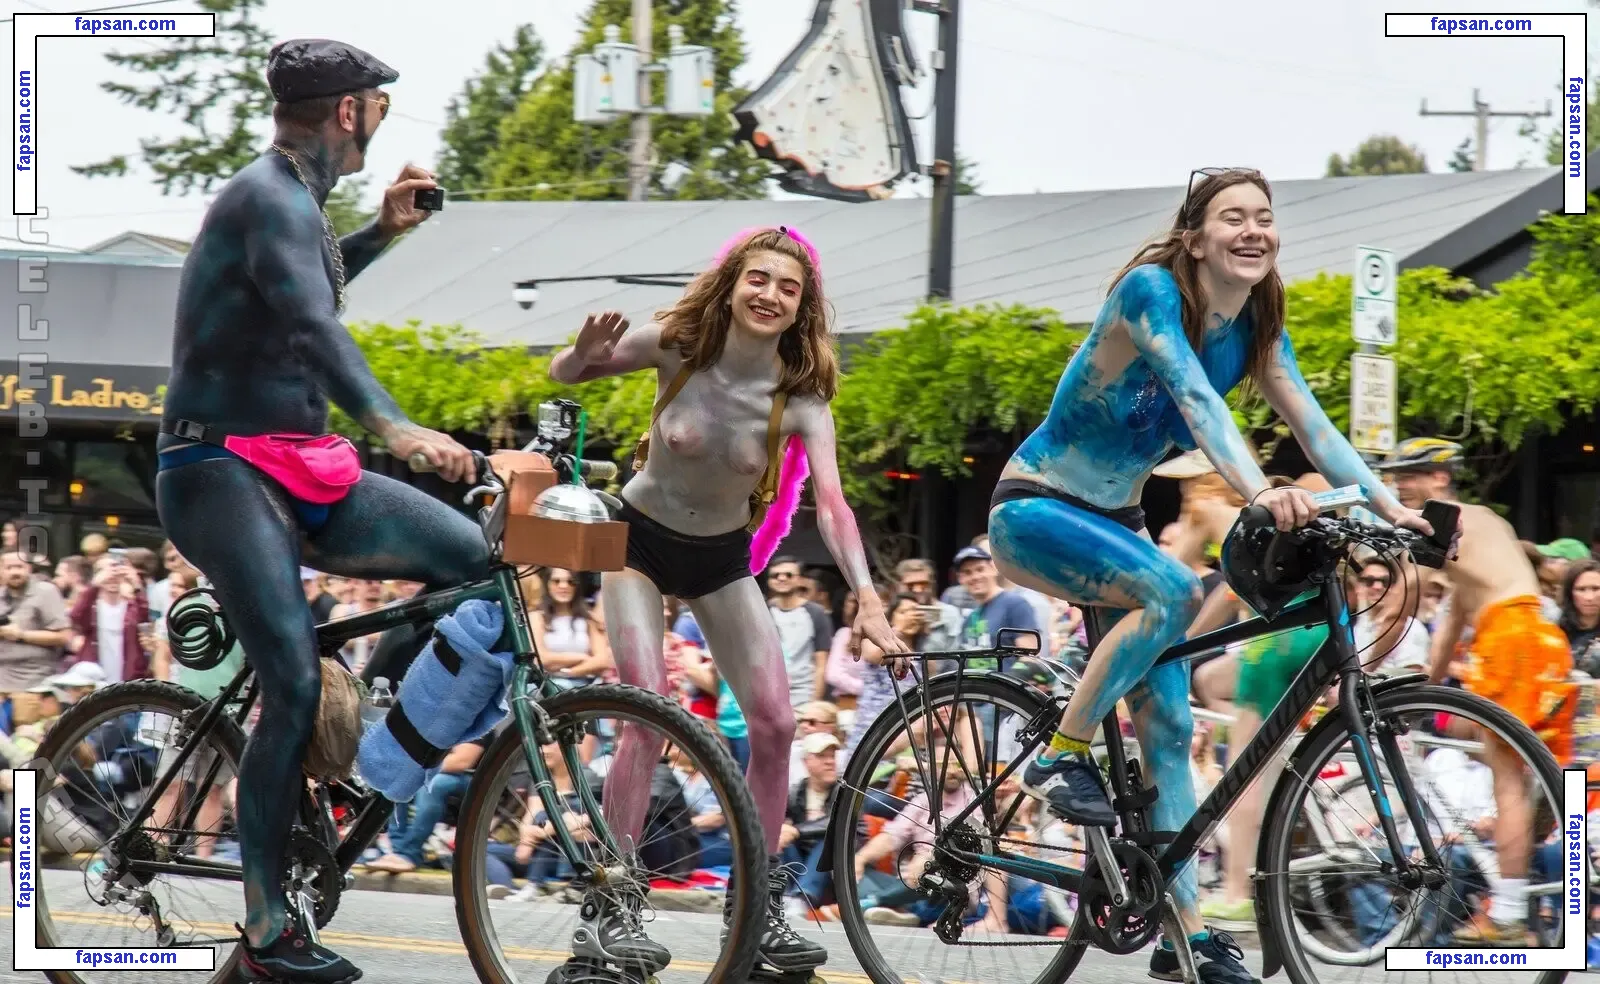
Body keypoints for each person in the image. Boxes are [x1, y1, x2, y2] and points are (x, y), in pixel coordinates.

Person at [984, 169, 1432, 984]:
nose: (1254, 230)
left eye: (1265, 216)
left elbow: (1314, 425)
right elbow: (1196, 400)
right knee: (1176, 589)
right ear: (1195, 238)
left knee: (1167, 728)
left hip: (1116, 523)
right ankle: (1059, 753)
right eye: (1233, 217)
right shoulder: (1151, 291)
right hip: (1036, 508)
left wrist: (1388, 507)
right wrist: (1258, 490)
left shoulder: (1257, 320)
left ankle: (1184, 939)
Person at [153, 38, 490, 983]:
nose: (380, 118)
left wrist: (381, 233)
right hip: (217, 468)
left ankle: (368, 740)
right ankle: (266, 934)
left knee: (473, 558)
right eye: (379, 103)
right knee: (293, 686)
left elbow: (304, 291)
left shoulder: (299, 204)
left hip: (299, 467)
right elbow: (309, 323)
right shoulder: (267, 196)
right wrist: (396, 425)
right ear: (350, 110)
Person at [545, 225, 904, 980]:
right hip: (637, 543)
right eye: (759, 279)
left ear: (803, 306)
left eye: (788, 287)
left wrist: (869, 600)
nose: (770, 295)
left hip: (720, 559)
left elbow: (834, 508)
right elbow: (568, 373)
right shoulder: (677, 344)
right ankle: (610, 911)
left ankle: (756, 909)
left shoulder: (799, 395)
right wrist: (580, 354)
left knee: (776, 723)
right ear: (733, 283)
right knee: (647, 711)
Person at [1380, 437, 1571, 944]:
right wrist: (1424, 689)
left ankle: (1507, 913)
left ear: (1441, 477)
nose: (1400, 484)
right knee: (1535, 779)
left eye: (1410, 474)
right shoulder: (1489, 522)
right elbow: (1452, 621)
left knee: (1509, 783)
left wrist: (1364, 665)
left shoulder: (1441, 519)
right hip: (1542, 639)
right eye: (1397, 475)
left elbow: (1402, 596)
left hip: (1510, 640)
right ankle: (1522, 900)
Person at [0, 551, 72, 727]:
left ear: (29, 568)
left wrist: (21, 635)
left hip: (34, 682)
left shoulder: (45, 592)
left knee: (27, 737)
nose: (15, 572)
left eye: (19, 567)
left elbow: (64, 637)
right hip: (2, 681)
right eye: (9, 568)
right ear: (1, 571)